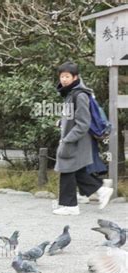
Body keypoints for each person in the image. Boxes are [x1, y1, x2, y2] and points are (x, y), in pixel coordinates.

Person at [53, 62, 113, 216]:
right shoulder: (70, 94)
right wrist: (62, 123)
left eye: (67, 76)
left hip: (77, 140)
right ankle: (101, 190)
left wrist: (67, 139)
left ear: (75, 77)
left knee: (67, 169)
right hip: (74, 139)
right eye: (62, 76)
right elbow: (72, 117)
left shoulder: (79, 95)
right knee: (77, 171)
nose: (64, 79)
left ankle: (70, 206)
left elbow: (83, 123)